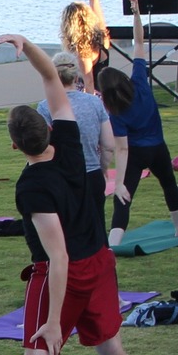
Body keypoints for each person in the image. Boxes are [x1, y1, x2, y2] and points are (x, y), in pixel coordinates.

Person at [0, 33, 138, 355]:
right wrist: (27, 45)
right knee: (109, 345)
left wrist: (54, 322)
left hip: (64, 272)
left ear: (15, 147)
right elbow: (52, 78)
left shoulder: (32, 187)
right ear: (50, 128)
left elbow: (57, 258)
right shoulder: (70, 143)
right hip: (99, 260)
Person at [99, 0, 178, 248]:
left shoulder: (116, 112)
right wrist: (137, 14)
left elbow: (122, 149)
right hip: (158, 147)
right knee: (169, 184)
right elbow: (139, 42)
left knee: (123, 196)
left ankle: (114, 241)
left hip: (136, 153)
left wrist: (118, 183)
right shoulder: (140, 81)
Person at [36, 53, 118, 235]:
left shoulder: (45, 107)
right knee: (97, 227)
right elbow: (108, 144)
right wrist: (102, 168)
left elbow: (43, 146)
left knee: (68, 231)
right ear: (75, 77)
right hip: (92, 172)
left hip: (62, 175)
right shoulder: (94, 102)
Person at [62, 0, 114, 95]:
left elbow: (89, 85)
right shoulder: (101, 36)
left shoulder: (84, 52)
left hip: (94, 97)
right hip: (105, 94)